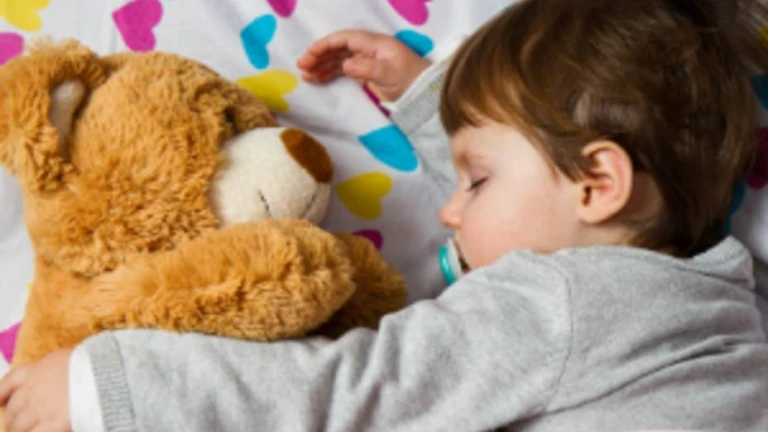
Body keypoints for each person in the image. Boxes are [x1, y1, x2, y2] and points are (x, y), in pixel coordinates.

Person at [3, 0, 768, 430]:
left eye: (476, 180)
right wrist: (437, 104)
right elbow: (532, 196)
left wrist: (110, 387)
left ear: (599, 183)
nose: (449, 209)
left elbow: (360, 388)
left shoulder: (561, 303)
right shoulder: (723, 303)